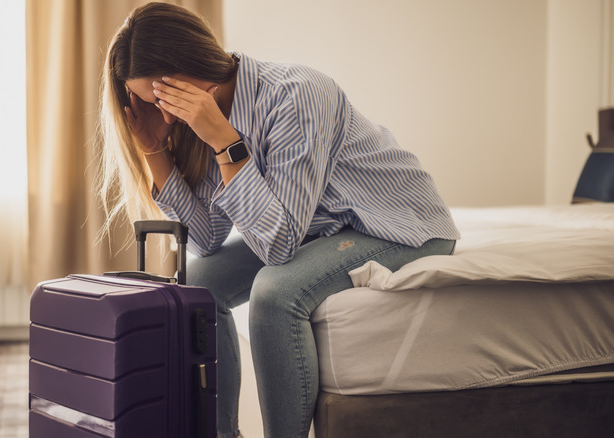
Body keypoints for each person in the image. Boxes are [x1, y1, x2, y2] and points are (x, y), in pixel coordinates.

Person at [98, 3, 459, 438]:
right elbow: (208, 238)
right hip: (317, 227)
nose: (167, 115)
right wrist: (155, 149)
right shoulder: (197, 120)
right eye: (152, 103)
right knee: (194, 285)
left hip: (397, 223)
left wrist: (225, 143)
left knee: (274, 293)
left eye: (165, 97)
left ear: (191, 64)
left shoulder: (296, 94)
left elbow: (278, 248)